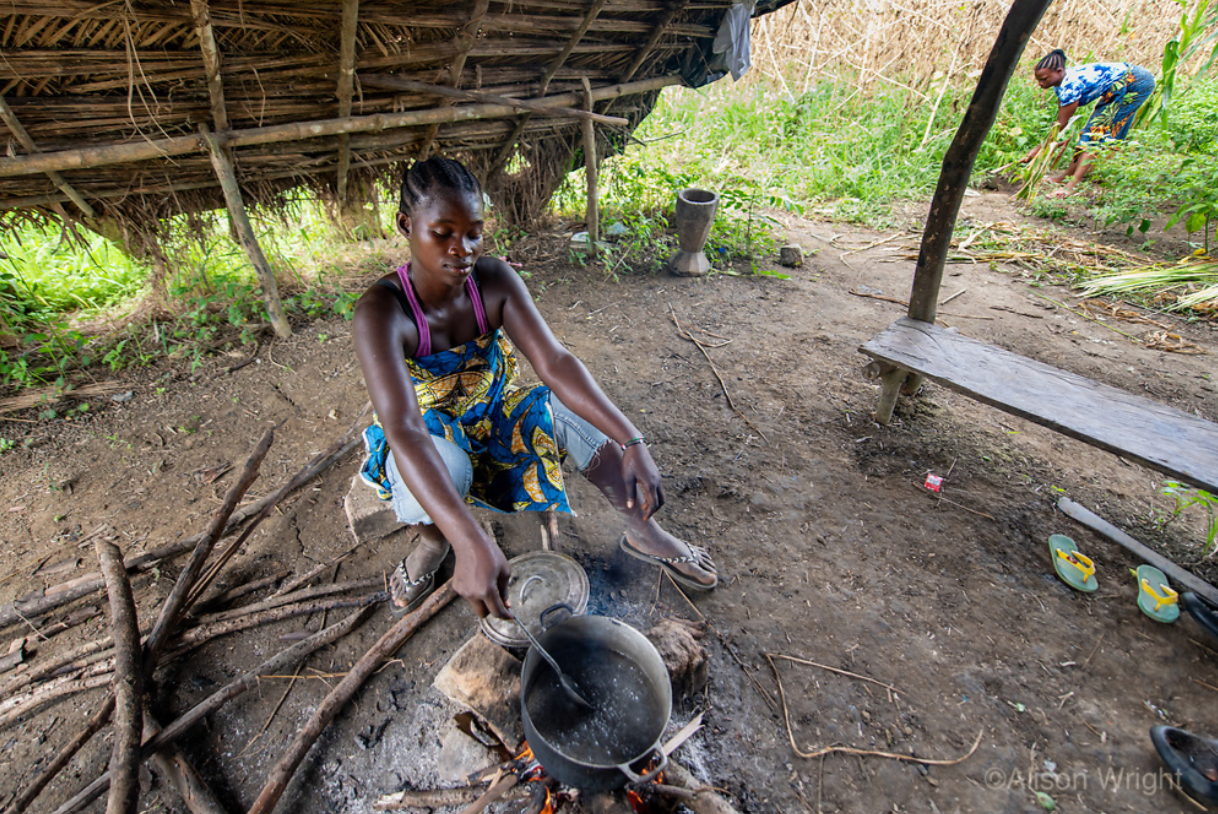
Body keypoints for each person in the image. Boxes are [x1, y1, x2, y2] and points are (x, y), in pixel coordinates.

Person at [354, 157, 718, 620]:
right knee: (446, 465)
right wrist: (472, 541)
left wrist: (631, 439)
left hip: (488, 416)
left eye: (473, 233)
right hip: (426, 438)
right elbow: (404, 428)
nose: (462, 249)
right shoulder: (382, 312)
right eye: (442, 232)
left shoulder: (493, 282)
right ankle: (434, 543)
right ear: (406, 224)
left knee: (572, 415)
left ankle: (642, 529)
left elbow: (555, 362)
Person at [1020, 48, 1155, 194]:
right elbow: (1061, 119)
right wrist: (1045, 145)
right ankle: (1065, 177)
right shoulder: (1060, 84)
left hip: (1136, 82)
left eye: (1044, 79)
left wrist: (1037, 149)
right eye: (1038, 80)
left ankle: (1071, 186)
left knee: (1094, 135)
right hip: (1120, 82)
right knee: (1089, 133)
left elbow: (1060, 124)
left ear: (1059, 71)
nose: (1040, 84)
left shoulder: (1071, 85)